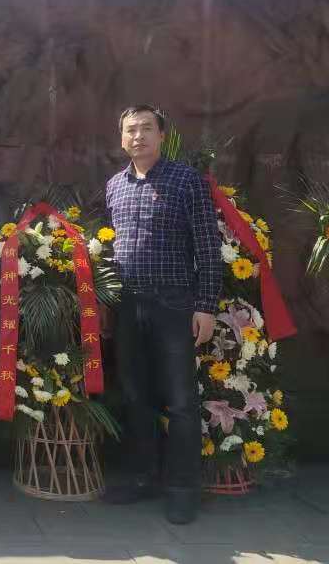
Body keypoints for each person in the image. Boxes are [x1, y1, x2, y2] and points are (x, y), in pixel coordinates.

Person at [103, 105, 221, 525]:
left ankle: (182, 490)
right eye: (130, 130)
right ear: (122, 138)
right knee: (136, 396)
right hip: (128, 304)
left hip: (174, 305)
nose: (138, 136)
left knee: (180, 401)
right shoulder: (114, 185)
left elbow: (208, 246)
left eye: (146, 129)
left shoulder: (186, 180)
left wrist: (206, 306)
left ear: (162, 135)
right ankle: (142, 478)